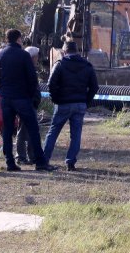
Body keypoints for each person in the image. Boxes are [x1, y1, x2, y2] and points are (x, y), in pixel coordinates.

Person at [0, 29, 55, 172]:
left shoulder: (0, 55)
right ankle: (40, 161)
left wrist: (3, 91)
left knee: (7, 130)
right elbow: (32, 79)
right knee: (33, 129)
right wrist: (33, 97)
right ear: (19, 39)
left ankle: (10, 162)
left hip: (6, 99)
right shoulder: (24, 55)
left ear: (7, 39)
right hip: (22, 98)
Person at [43, 41, 99, 170]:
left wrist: (55, 99)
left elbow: (51, 84)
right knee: (76, 134)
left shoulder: (60, 64)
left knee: (53, 132)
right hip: (79, 104)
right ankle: (70, 162)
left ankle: (44, 159)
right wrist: (86, 101)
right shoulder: (87, 65)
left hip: (63, 104)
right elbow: (94, 87)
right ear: (77, 50)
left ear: (64, 51)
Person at [15, 45, 41, 165]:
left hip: (28, 103)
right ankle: (21, 156)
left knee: (30, 131)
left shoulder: (25, 68)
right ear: (33, 57)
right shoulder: (26, 70)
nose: (38, 59)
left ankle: (30, 156)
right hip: (27, 104)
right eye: (36, 56)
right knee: (24, 131)